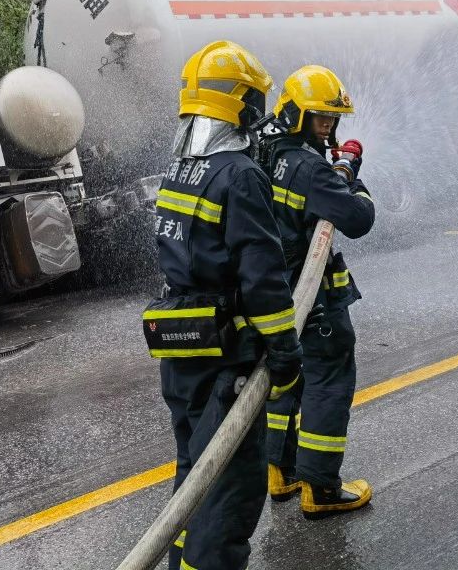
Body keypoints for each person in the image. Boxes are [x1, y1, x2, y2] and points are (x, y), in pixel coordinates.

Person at [146, 40, 303, 570]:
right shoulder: (238, 176)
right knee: (230, 491)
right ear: (243, 104)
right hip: (226, 358)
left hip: (182, 349)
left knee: (193, 476)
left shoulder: (179, 169)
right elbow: (261, 275)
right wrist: (284, 350)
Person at [260, 65, 376, 518]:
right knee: (328, 379)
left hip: (274, 291)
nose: (327, 126)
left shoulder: (263, 149)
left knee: (283, 378)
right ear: (296, 114)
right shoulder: (311, 168)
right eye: (320, 118)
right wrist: (350, 174)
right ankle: (321, 489)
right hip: (313, 298)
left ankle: (280, 471)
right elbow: (359, 219)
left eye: (332, 119)